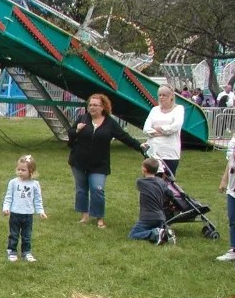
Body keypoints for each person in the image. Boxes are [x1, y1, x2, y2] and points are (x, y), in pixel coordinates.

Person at [67, 93, 147, 229]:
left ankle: (99, 218)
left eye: (95, 105)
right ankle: (84, 215)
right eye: (90, 105)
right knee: (81, 189)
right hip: (79, 161)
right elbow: (70, 134)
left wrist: (139, 147)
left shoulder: (110, 123)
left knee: (97, 189)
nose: (92, 108)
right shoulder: (83, 118)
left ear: (103, 107)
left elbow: (124, 137)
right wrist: (77, 130)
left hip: (99, 164)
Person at [2, 155, 47, 262]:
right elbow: (8, 197)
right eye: (18, 169)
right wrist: (6, 208)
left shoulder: (35, 184)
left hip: (28, 215)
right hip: (15, 214)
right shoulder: (13, 182)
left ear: (31, 171)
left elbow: (38, 199)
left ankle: (26, 252)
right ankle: (12, 251)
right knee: (14, 234)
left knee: (27, 235)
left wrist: (41, 211)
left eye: (23, 170)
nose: (20, 172)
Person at [128, 157, 176, 245]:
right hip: (161, 217)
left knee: (133, 235)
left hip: (147, 218)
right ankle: (163, 233)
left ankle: (155, 233)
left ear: (144, 169)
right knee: (157, 229)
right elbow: (170, 194)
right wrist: (170, 201)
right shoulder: (162, 182)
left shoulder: (140, 182)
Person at [143, 85, 185, 176]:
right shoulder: (154, 110)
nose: (161, 97)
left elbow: (175, 126)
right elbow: (146, 129)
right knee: (150, 182)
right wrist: (165, 132)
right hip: (153, 152)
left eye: (164, 95)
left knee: (167, 183)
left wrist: (159, 128)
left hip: (170, 153)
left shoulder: (178, 109)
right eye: (160, 95)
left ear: (171, 96)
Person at [217, 137, 235, 261]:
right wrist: (224, 179)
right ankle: (234, 249)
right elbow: (230, 160)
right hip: (232, 186)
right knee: (233, 219)